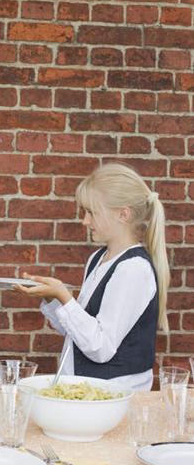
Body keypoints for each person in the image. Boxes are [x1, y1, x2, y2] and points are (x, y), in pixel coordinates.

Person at [13, 162, 169, 392]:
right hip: (85, 391)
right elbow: (77, 334)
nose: (85, 221)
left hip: (112, 396)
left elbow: (100, 347)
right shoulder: (98, 258)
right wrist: (51, 297)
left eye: (91, 213)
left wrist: (64, 296)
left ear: (123, 214)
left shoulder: (133, 269)